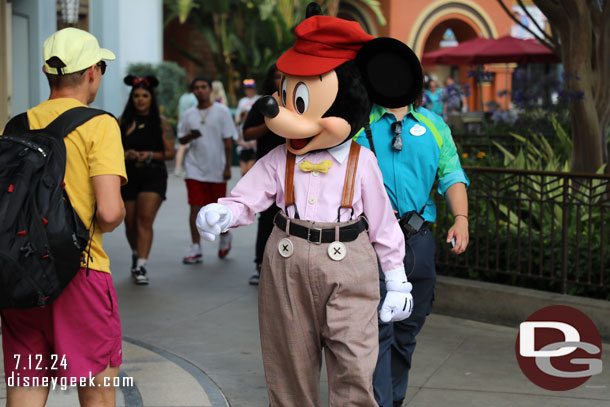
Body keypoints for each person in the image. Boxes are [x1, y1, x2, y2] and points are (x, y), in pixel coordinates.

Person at [0, 27, 126, 407]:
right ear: (92, 72)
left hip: (19, 277)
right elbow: (108, 212)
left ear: (46, 72)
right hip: (80, 274)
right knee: (98, 393)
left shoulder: (16, 126)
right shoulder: (99, 124)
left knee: (25, 388)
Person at [356, 98, 470, 407]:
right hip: (370, 241)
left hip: (417, 239)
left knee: (406, 332)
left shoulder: (434, 124)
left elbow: (451, 174)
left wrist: (461, 219)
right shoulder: (356, 122)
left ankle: (393, 398)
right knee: (378, 330)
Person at [119, 74, 175, 284]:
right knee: (130, 223)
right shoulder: (121, 122)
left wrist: (149, 155)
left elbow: (170, 152)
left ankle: (142, 265)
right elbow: (111, 149)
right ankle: (136, 252)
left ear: (151, 98)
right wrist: (127, 153)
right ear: (131, 98)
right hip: (128, 175)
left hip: (153, 174)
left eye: (144, 95)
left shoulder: (162, 124)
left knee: (144, 220)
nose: (140, 99)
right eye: (136, 96)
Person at [177, 76, 236, 264]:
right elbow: (182, 139)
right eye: (196, 88)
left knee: (218, 211)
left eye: (203, 87)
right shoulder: (189, 114)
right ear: (193, 91)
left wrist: (227, 167)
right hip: (194, 167)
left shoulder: (222, 111)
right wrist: (190, 136)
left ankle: (225, 236)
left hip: (217, 168)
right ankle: (195, 246)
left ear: (210, 89)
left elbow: (228, 141)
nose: (200, 90)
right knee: (195, 207)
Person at [241, 64, 284, 285]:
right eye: (277, 76)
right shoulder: (262, 104)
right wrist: (270, 123)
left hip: (297, 169)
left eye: (284, 76)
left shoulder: (300, 103)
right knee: (267, 217)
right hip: (268, 168)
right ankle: (260, 264)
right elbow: (247, 133)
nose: (280, 80)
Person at [173, 88, 198, 177]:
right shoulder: (194, 98)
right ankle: (179, 168)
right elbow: (194, 112)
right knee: (185, 147)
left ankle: (178, 168)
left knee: (181, 147)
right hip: (190, 125)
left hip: (181, 124)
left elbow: (179, 111)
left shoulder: (183, 97)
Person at [234, 109, 257, 176]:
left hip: (251, 150)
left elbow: (256, 139)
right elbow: (236, 140)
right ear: (242, 117)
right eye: (246, 116)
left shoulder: (254, 126)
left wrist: (254, 144)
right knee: (244, 171)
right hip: (243, 150)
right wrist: (242, 144)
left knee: (249, 170)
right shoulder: (239, 127)